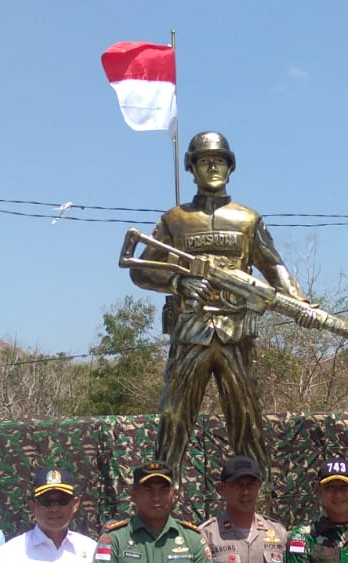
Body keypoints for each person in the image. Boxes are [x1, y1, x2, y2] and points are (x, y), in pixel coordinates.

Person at [127, 130, 319, 473]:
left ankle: (259, 504)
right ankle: (160, 501)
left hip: (236, 334)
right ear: (191, 168)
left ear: (231, 167)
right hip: (190, 333)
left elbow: (273, 266)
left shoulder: (248, 219)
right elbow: (140, 270)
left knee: (246, 419)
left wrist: (301, 303)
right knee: (174, 419)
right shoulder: (174, 220)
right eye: (204, 161)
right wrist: (177, 281)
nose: (212, 167)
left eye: (219, 161)